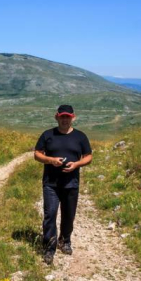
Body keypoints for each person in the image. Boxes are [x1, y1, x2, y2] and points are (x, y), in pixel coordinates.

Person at [34, 104, 93, 265]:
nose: (65, 119)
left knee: (69, 215)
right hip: (50, 184)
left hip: (71, 183)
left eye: (68, 117)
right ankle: (49, 247)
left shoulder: (80, 137)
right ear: (57, 117)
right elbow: (37, 154)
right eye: (62, 116)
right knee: (50, 214)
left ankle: (65, 241)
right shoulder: (48, 135)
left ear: (73, 117)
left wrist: (77, 164)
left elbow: (88, 156)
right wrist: (50, 160)